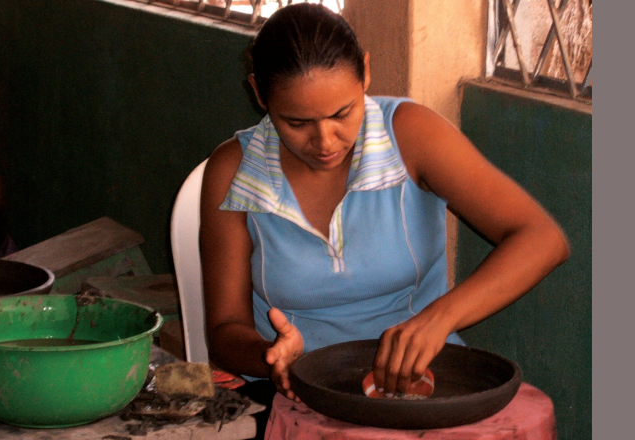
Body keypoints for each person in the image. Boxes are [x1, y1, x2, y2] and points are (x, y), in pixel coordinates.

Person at [199, 3, 569, 431]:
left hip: (424, 383)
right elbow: (226, 329)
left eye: (343, 113)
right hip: (294, 396)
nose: (325, 141)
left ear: (366, 75)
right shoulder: (234, 170)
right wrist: (270, 357)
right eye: (297, 122)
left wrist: (440, 317)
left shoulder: (411, 136)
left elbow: (541, 238)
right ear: (259, 94)